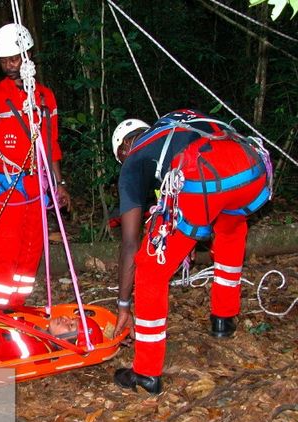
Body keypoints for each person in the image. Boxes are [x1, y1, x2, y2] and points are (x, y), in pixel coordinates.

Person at [110, 109, 272, 394]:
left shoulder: (133, 160)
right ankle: (223, 319)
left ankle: (146, 372)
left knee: (149, 268)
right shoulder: (174, 125)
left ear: (124, 148)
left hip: (205, 176)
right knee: (231, 228)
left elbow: (130, 243)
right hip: (250, 166)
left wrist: (123, 304)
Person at [0, 23, 71, 309]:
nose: (11, 65)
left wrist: (60, 185)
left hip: (39, 186)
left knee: (32, 251)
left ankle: (16, 307)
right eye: (5, 60)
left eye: (16, 57)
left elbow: (52, 145)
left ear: (29, 54)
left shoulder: (46, 98)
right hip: (7, 186)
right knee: (5, 252)